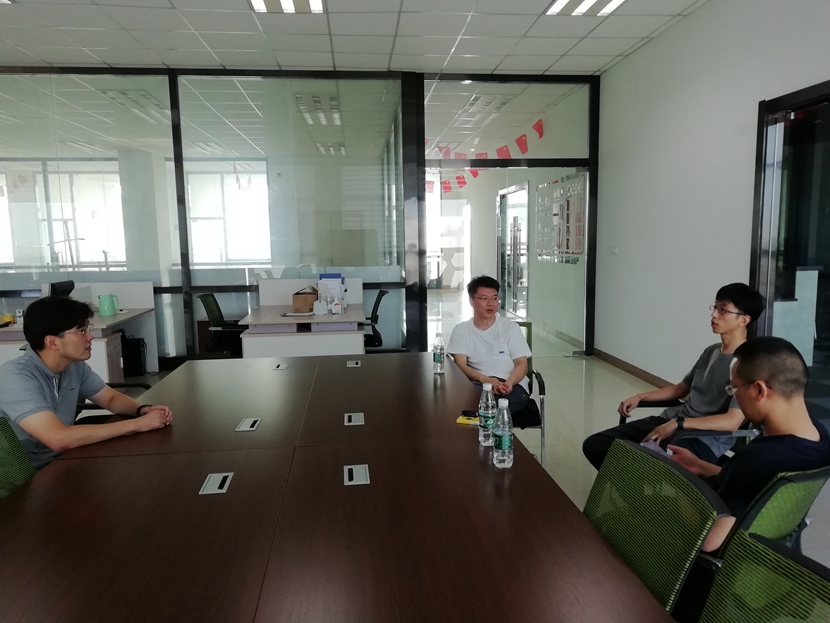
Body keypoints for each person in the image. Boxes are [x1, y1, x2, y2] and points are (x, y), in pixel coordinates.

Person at [669, 336, 830, 552]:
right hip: (761, 547)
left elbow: (709, 540)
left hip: (714, 557)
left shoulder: (757, 458)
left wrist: (679, 481)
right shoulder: (819, 436)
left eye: (733, 389)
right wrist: (700, 466)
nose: (734, 395)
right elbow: (760, 487)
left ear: (760, 390)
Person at [582, 283, 765, 470]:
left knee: (650, 467)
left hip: (701, 438)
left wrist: (679, 424)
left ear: (744, 320)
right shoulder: (711, 352)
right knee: (596, 444)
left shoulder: (748, 364)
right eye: (715, 307)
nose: (714, 314)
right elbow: (680, 389)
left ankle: (638, 483)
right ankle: (634, 484)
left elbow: (732, 421)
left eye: (723, 310)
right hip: (672, 421)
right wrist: (640, 396)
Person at [0, 296, 172, 470]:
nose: (90, 336)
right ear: (52, 342)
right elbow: (58, 438)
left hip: (64, 459)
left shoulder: (73, 366)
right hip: (27, 474)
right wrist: (138, 424)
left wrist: (141, 410)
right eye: (81, 331)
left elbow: (110, 398)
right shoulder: (15, 376)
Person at [447, 275, 533, 417]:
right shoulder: (461, 330)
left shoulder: (510, 328)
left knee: (492, 406)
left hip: (512, 385)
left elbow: (522, 364)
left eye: (494, 298)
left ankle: (489, 425)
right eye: (484, 298)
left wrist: (509, 384)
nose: (491, 303)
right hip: (479, 384)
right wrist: (485, 380)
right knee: (470, 399)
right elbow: (460, 364)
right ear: (471, 301)